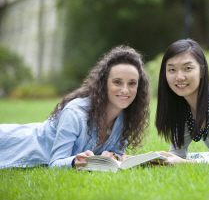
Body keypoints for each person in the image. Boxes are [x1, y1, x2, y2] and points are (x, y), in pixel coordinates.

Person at [0, 45, 150, 169]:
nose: (125, 90)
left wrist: (118, 158)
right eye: (117, 82)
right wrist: (77, 162)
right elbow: (55, 163)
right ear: (104, 84)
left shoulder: (126, 118)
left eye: (132, 83)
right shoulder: (75, 113)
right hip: (11, 145)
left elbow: (113, 154)